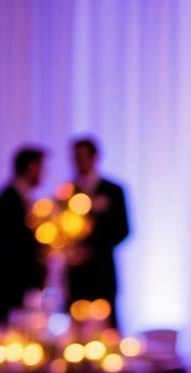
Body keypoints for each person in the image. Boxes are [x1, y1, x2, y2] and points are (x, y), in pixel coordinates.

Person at [65, 136, 130, 330]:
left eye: (82, 156)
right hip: (76, 274)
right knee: (76, 332)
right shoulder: (67, 192)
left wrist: (93, 250)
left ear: (94, 158)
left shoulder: (113, 190)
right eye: (75, 157)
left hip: (103, 272)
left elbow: (124, 230)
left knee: (107, 331)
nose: (78, 162)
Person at [0, 146, 48, 324]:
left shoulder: (20, 197)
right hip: (11, 285)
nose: (44, 173)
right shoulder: (8, 200)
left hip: (19, 285)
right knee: (9, 338)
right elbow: (14, 245)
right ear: (31, 167)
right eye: (41, 168)